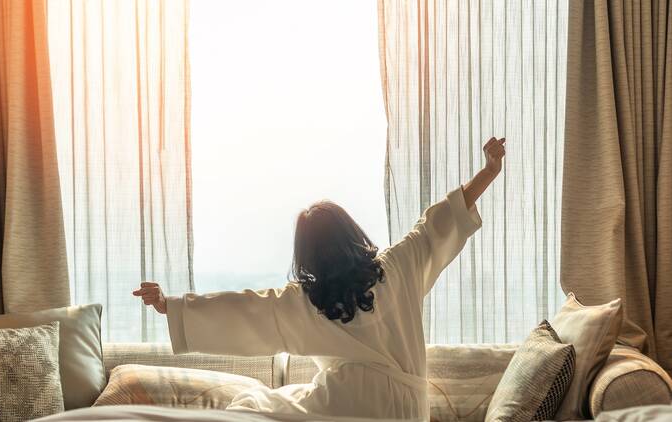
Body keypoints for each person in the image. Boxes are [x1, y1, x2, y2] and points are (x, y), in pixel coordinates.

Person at [133, 137, 506, 420]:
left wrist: (174, 306)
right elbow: (439, 223)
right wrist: (487, 172)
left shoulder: (306, 300)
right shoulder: (400, 265)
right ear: (351, 231)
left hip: (346, 405)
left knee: (251, 404)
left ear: (306, 255)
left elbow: (244, 309)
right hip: (408, 410)